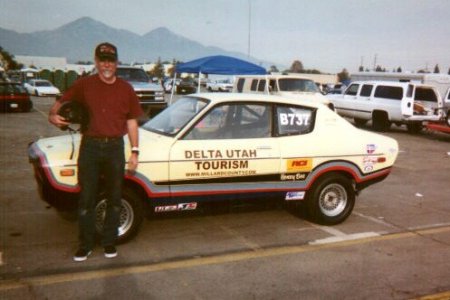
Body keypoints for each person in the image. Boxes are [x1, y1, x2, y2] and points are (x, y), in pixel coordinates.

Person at [48, 42, 143, 262]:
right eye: (103, 60)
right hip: (90, 146)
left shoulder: (126, 89)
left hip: (114, 148)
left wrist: (135, 152)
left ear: (117, 63)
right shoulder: (84, 85)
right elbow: (59, 103)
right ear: (96, 62)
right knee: (87, 199)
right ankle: (85, 244)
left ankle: (109, 242)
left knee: (115, 198)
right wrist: (53, 116)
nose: (107, 65)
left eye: (111, 60)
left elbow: (131, 122)